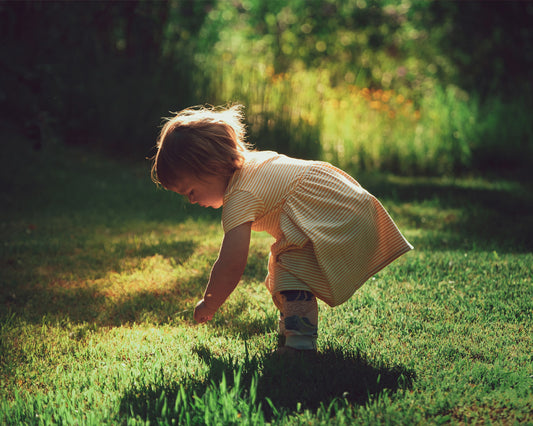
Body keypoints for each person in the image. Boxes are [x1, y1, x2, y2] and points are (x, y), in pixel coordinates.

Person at [151, 104, 413, 354]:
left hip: (336, 214)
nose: (192, 201)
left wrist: (210, 302)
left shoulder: (240, 195)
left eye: (190, 191)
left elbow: (231, 263)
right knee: (282, 263)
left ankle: (300, 346)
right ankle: (292, 328)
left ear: (212, 167)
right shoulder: (252, 165)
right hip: (347, 203)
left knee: (290, 269)